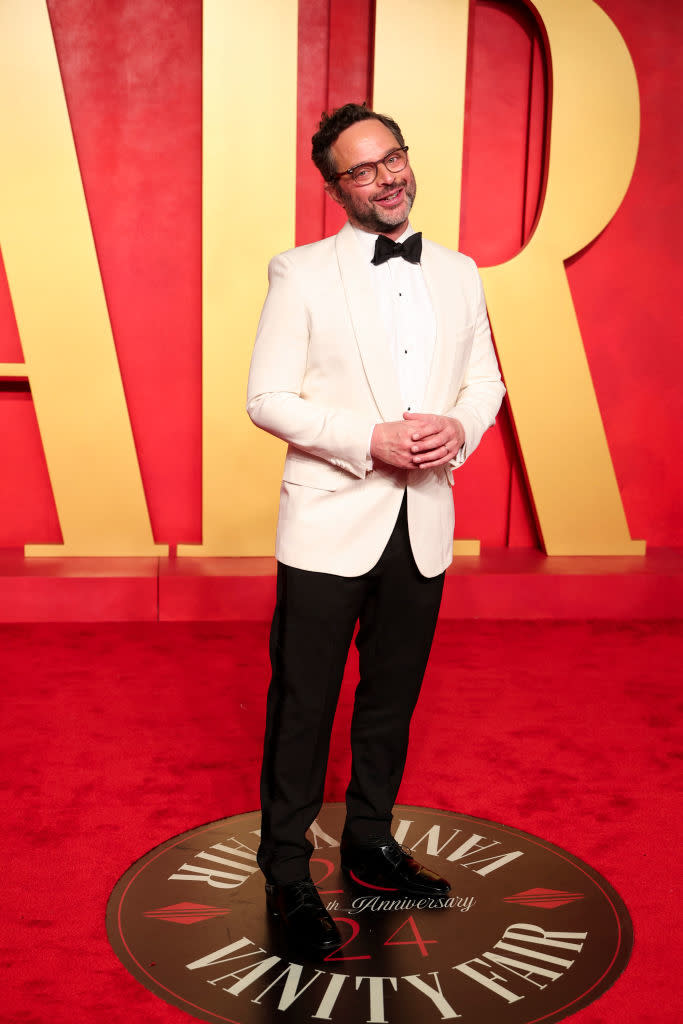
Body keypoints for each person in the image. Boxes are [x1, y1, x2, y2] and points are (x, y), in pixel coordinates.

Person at [247, 102, 505, 955]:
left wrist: (459, 428)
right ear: (336, 189)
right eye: (362, 169)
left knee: (389, 704)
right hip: (329, 521)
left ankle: (368, 846)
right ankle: (285, 870)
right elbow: (267, 398)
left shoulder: (462, 271)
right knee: (304, 707)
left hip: (421, 515)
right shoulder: (300, 271)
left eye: (391, 157)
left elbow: (483, 381)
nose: (386, 177)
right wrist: (369, 438)